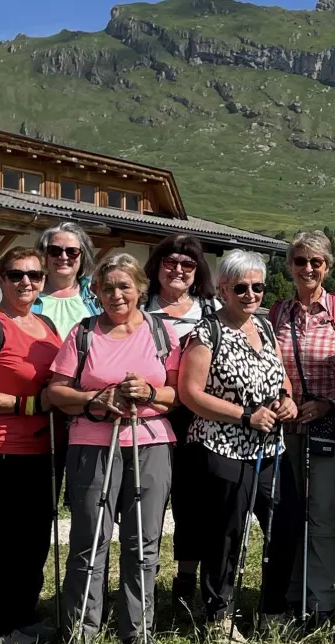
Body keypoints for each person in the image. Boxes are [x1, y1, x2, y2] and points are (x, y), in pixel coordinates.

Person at [45, 253, 179, 644]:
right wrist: (95, 399)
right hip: (93, 443)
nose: (116, 295)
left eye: (124, 286)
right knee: (90, 537)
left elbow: (179, 393)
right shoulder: (83, 333)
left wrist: (150, 393)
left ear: (140, 289)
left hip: (150, 441)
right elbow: (56, 391)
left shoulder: (161, 332)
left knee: (144, 540)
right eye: (107, 288)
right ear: (97, 293)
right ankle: (80, 633)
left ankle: (138, 631)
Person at [178, 251, 298, 644]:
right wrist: (245, 416)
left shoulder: (264, 327)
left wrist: (286, 400)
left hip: (269, 447)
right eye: (241, 287)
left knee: (285, 525)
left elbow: (281, 379)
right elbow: (190, 393)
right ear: (224, 289)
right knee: (226, 534)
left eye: (257, 287)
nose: (250, 294)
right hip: (222, 446)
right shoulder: (206, 332)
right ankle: (219, 616)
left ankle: (273, 610)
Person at [0, 247, 63, 644]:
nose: (26, 282)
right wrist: (32, 405)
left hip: (44, 446)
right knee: (4, 537)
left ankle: (23, 615)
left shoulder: (46, 324)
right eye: (17, 274)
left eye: (35, 275)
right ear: (1, 279)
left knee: (34, 536)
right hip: (3, 445)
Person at [269, 232, 335, 628]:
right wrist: (284, 397)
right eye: (300, 261)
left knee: (322, 510)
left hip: (330, 424)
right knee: (290, 511)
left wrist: (328, 402)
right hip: (286, 424)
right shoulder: (278, 312)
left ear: (327, 266)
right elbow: (267, 363)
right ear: (289, 266)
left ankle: (321, 598)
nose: (307, 268)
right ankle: (293, 593)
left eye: (315, 262)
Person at [141, 234, 218, 612]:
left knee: (193, 502)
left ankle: (186, 580)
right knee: (146, 503)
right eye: (170, 262)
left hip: (198, 418)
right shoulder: (139, 306)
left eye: (187, 264)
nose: (178, 270)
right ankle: (141, 581)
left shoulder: (211, 309)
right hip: (149, 416)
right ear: (156, 266)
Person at [33, 222, 100, 340]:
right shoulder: (29, 294)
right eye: (55, 250)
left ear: (83, 256)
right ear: (44, 255)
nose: (63, 257)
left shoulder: (96, 295)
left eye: (72, 251)